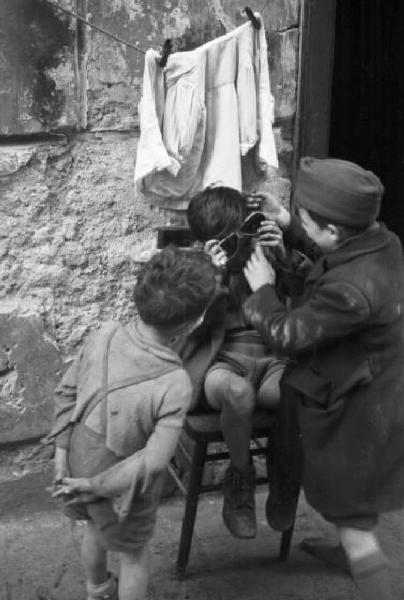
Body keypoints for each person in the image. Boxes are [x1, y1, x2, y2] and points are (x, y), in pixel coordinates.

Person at [242, 157, 404, 600]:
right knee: (344, 496)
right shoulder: (382, 242)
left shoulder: (351, 292)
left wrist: (262, 290)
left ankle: (363, 561)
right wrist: (291, 222)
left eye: (310, 222)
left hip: (359, 409)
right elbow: (335, 252)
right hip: (373, 386)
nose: (305, 228)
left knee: (353, 511)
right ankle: (347, 546)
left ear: (332, 231)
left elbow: (288, 334)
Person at [47, 246, 217, 600]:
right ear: (192, 323)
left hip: (79, 453)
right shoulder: (174, 382)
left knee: (93, 525)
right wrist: (99, 484)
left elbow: (66, 392)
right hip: (121, 476)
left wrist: (62, 457)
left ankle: (97, 589)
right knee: (134, 555)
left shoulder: (105, 332)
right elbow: (154, 461)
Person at [185, 186, 288, 540]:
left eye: (244, 230)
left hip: (273, 354)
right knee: (238, 393)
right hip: (223, 361)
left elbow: (305, 299)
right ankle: (240, 479)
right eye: (229, 239)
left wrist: (284, 253)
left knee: (292, 394)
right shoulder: (196, 267)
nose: (241, 243)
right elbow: (183, 329)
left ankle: (283, 477)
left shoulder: (266, 253)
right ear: (208, 242)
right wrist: (210, 278)